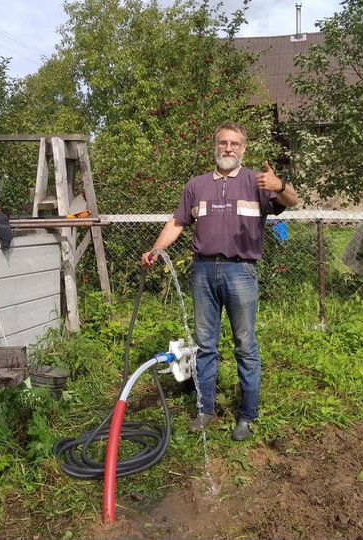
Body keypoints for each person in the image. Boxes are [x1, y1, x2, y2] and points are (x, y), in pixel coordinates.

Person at [141, 121, 298, 441]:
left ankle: (247, 415)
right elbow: (178, 222)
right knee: (205, 346)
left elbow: (293, 201)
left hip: (241, 272)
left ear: (244, 149)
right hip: (203, 272)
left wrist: (280, 186)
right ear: (216, 147)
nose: (228, 148)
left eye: (235, 144)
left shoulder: (260, 182)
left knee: (245, 345)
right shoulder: (196, 185)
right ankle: (206, 409)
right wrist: (157, 248)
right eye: (223, 143)